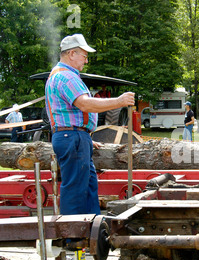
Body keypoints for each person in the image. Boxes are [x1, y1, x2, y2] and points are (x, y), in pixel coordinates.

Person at [45, 34, 135, 215]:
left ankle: (90, 229)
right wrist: (119, 101)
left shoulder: (61, 76)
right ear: (71, 54)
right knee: (77, 190)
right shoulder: (66, 77)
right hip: (72, 137)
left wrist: (83, 136)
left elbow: (69, 114)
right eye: (84, 56)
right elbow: (85, 104)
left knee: (87, 184)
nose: (86, 61)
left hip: (74, 137)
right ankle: (74, 237)